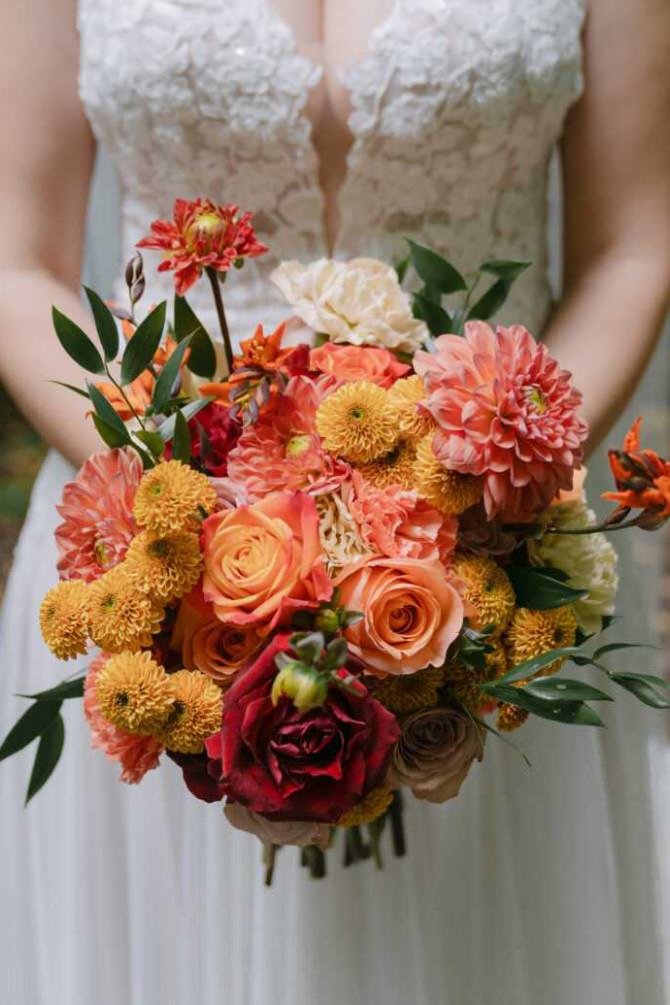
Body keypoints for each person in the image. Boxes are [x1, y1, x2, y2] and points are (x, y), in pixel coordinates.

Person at [1, 1, 669, 1002]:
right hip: (157, 555)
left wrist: (476, 511)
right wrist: (193, 511)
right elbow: (17, 264)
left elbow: (632, 245)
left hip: (500, 550)